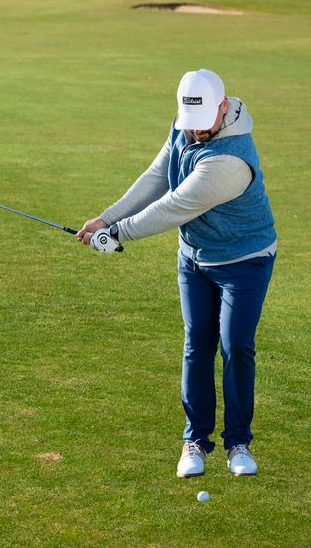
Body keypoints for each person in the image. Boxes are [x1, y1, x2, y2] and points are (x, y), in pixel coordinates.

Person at [79, 69, 276, 478]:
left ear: (223, 107)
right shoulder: (186, 124)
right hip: (194, 258)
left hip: (244, 260)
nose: (197, 132)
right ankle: (196, 441)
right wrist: (107, 218)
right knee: (196, 344)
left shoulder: (230, 160)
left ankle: (237, 442)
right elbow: (157, 175)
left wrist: (117, 233)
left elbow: (175, 206)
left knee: (235, 344)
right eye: (191, 123)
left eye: (205, 122)